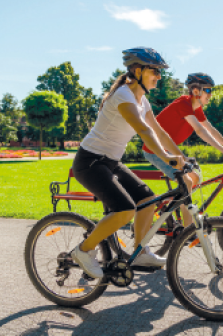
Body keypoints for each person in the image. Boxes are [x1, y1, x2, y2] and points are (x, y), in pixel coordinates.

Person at [71, 47, 186, 279]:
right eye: (155, 71)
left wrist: (180, 157)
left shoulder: (142, 101)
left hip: (110, 162)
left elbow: (160, 133)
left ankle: (140, 250)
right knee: (125, 210)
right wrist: (166, 158)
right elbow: (143, 130)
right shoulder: (123, 96)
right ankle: (83, 251)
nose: (159, 76)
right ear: (138, 70)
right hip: (90, 161)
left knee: (147, 199)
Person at [142, 73, 223, 229]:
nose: (211, 94)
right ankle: (188, 231)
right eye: (208, 90)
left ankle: (174, 212)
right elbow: (200, 131)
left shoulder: (196, 108)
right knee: (186, 182)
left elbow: (211, 130)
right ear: (196, 91)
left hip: (169, 151)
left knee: (193, 178)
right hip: (155, 150)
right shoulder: (184, 104)